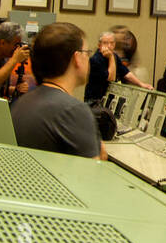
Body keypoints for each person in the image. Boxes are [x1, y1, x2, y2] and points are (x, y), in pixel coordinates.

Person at [10, 22, 103, 160]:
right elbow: (92, 175)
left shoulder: (22, 102)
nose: (88, 58)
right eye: (87, 53)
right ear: (77, 58)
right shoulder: (74, 111)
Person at [84, 31, 116, 103]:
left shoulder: (114, 56)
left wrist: (141, 84)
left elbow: (125, 72)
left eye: (112, 43)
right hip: (94, 101)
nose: (109, 46)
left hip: (106, 99)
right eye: (105, 43)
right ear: (99, 45)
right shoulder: (95, 59)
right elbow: (111, 78)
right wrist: (111, 58)